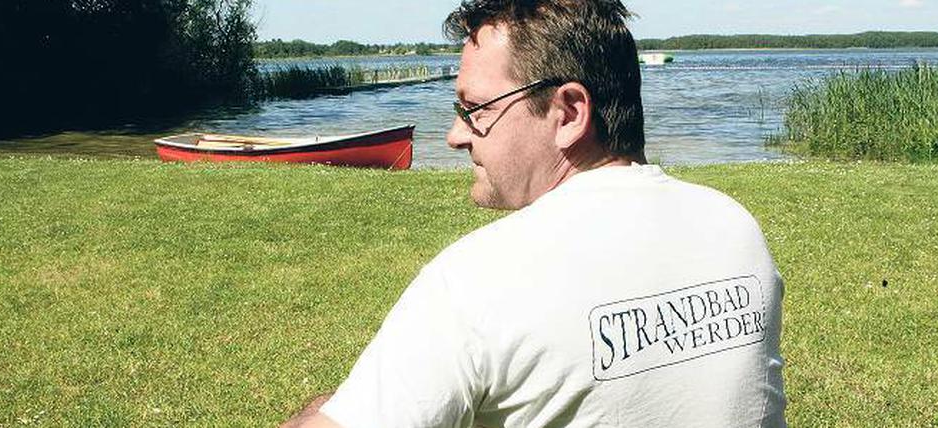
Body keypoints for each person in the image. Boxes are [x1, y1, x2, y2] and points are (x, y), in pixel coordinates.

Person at [283, 0, 786, 426]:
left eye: (475, 109)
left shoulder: (477, 280)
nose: (456, 136)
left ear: (567, 113)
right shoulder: (732, 226)